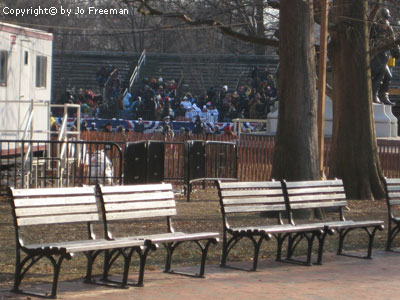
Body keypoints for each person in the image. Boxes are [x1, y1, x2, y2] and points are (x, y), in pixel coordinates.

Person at [370, 8, 400, 105]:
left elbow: (394, 41)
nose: (385, 22)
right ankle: (373, 95)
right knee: (378, 76)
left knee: (388, 76)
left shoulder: (389, 27)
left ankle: (383, 95)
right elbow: (370, 40)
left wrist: (397, 52)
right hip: (375, 56)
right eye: (385, 17)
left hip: (384, 57)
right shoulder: (374, 26)